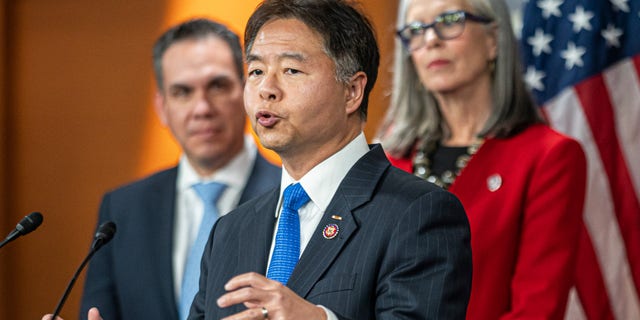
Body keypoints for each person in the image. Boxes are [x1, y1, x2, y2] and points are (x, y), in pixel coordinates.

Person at [183, 0, 472, 319]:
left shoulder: (419, 213)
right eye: (256, 71)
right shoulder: (229, 231)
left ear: (352, 91)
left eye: (291, 70)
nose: (267, 89)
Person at [376, 0, 587, 319]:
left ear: (493, 40)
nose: (431, 39)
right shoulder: (387, 160)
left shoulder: (550, 157)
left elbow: (536, 311)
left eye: (449, 20)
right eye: (416, 30)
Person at [76, 18, 281, 320]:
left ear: (247, 91)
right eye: (182, 92)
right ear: (162, 107)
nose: (202, 108)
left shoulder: (291, 194)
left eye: (218, 86)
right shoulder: (122, 209)